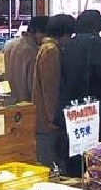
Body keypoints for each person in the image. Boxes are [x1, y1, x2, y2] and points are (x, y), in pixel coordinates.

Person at [58, 10, 101, 176]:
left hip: (72, 107)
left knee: (77, 153)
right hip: (94, 108)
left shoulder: (68, 44)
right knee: (97, 156)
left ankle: (75, 183)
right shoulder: (97, 42)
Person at [32, 14, 76, 168]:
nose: (70, 39)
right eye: (70, 35)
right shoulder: (51, 51)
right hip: (47, 120)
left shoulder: (47, 48)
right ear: (63, 33)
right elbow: (50, 88)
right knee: (50, 162)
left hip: (45, 117)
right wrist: (53, 119)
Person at [2, 16, 49, 102]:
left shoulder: (7, 45)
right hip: (26, 104)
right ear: (38, 32)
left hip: (6, 101)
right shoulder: (33, 52)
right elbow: (33, 85)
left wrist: (5, 93)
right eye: (46, 35)